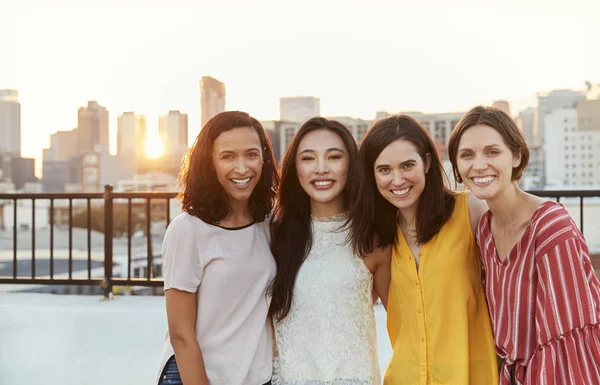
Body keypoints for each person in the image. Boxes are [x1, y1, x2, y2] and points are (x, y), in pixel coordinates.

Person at [448, 105, 600, 385]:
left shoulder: (551, 227)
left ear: (517, 156)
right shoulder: (484, 229)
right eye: (467, 155)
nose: (479, 165)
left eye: (492, 152)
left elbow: (569, 342)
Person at [349, 115, 498, 385]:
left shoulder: (472, 212)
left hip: (472, 377)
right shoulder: (377, 239)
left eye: (407, 165)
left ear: (427, 163)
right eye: (384, 170)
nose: (397, 180)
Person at [156, 111, 279, 385]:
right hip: (194, 375)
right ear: (209, 163)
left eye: (251, 154)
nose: (242, 167)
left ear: (264, 158)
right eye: (228, 156)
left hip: (253, 377)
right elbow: (180, 333)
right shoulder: (187, 230)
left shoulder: (268, 225)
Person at [269, 117, 389, 385]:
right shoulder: (275, 235)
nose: (321, 169)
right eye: (308, 159)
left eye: (334, 157)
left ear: (351, 165)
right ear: (295, 168)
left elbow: (405, 327)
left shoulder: (373, 239)